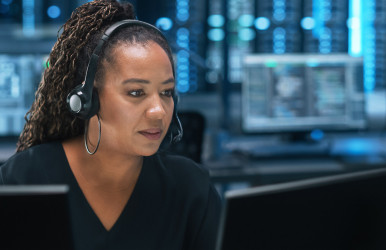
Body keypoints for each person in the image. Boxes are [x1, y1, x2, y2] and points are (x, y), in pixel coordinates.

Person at [0, 0, 222, 249]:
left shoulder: (190, 187)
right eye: (136, 92)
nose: (158, 110)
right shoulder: (25, 177)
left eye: (167, 92)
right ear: (89, 101)